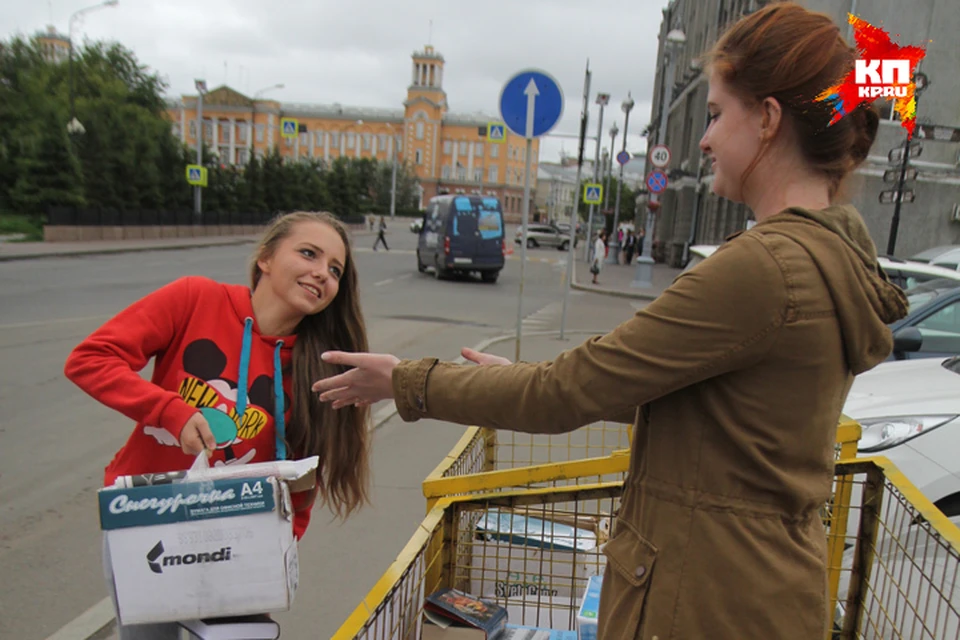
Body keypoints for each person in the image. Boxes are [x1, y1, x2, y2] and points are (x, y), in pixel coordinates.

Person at [312, 4, 910, 639]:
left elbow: (568, 391)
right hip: (757, 588)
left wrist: (407, 380)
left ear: (766, 120)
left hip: (706, 600)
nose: (704, 139)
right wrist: (533, 375)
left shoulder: (764, 268)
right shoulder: (829, 255)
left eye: (715, 113)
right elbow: (719, 412)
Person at [65, 211, 371, 639]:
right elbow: (90, 360)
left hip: (235, 543)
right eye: (308, 253)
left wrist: (281, 544)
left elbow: (304, 476)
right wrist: (170, 410)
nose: (322, 273)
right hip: (146, 521)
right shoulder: (195, 300)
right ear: (265, 257)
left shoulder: (318, 363)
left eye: (335, 270)